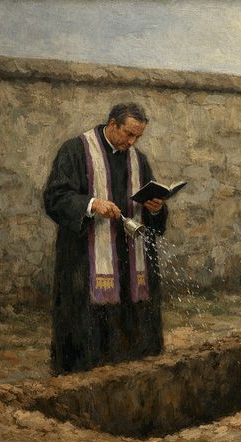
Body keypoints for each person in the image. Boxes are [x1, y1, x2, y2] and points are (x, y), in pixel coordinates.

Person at [43, 103, 168, 374]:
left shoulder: (138, 160)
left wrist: (156, 208)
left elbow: (154, 218)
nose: (132, 142)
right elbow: (54, 198)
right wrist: (91, 204)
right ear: (112, 124)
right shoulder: (75, 151)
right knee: (87, 351)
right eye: (128, 134)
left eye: (138, 137)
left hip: (130, 261)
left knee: (135, 357)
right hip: (86, 260)